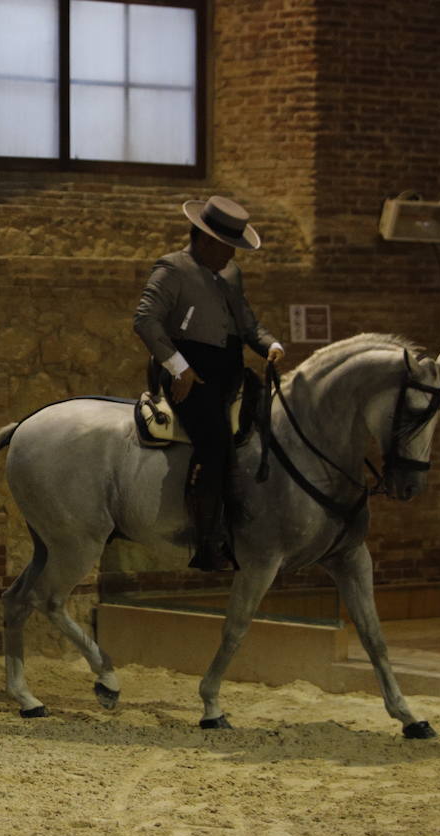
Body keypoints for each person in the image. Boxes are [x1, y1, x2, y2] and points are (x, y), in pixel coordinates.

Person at [133, 195, 284, 572]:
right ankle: (208, 540)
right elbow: (146, 320)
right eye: (226, 247)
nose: (231, 256)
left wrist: (270, 345)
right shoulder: (172, 269)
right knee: (214, 443)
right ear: (204, 239)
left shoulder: (231, 275)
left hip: (229, 372)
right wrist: (179, 368)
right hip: (189, 375)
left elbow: (247, 323)